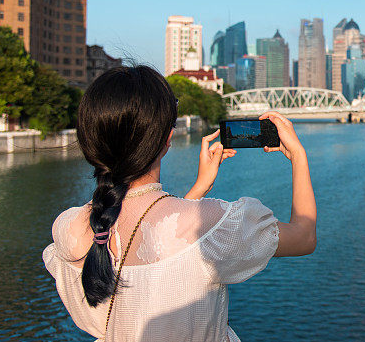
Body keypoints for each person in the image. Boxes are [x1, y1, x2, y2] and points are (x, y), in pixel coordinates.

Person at [42, 66, 317, 341]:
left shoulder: (70, 229)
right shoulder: (212, 225)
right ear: (166, 139)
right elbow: (304, 236)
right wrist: (298, 155)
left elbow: (153, 245)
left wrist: (199, 188)